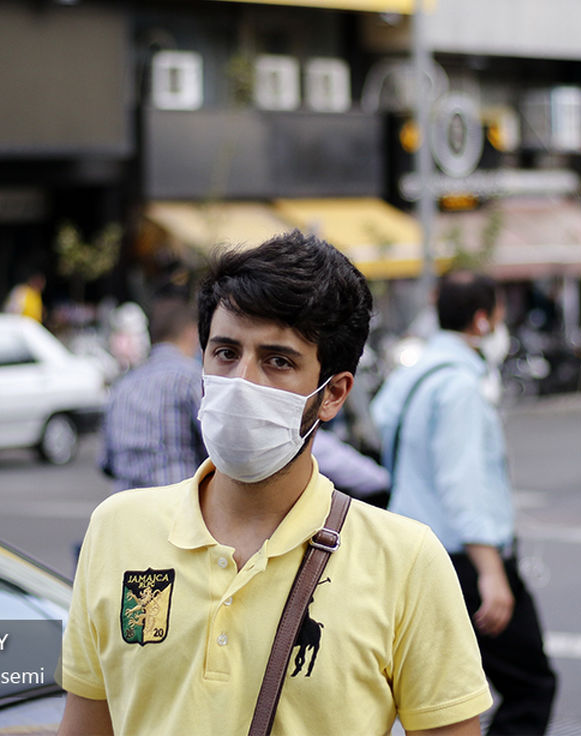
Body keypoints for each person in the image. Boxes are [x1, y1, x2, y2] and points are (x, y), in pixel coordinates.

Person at [57, 231, 492, 736]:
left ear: (333, 395)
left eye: (278, 360)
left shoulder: (407, 560)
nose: (243, 382)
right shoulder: (117, 529)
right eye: (225, 353)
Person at [370, 271, 557, 736]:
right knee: (530, 684)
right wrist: (492, 572)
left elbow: (380, 422)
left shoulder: (415, 376)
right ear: (481, 320)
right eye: (496, 315)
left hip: (413, 550)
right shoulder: (458, 389)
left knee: (431, 690)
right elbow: (464, 482)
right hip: (462, 558)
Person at [100, 292, 206, 491]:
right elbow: (218, 452)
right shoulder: (190, 379)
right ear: (191, 332)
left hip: (125, 511)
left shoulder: (123, 386)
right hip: (176, 509)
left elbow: (107, 462)